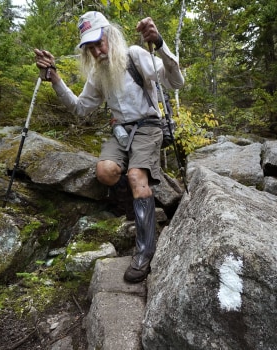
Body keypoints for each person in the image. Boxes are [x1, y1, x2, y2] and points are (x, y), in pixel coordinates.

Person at [34, 11, 184, 283]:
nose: (97, 51)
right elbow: (81, 108)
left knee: (136, 176)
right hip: (120, 131)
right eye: (90, 47)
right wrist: (55, 79)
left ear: (111, 36)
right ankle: (134, 212)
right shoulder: (98, 74)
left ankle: (144, 250)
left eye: (99, 42)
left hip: (149, 126)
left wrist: (160, 44)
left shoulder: (136, 55)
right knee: (105, 171)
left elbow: (176, 82)